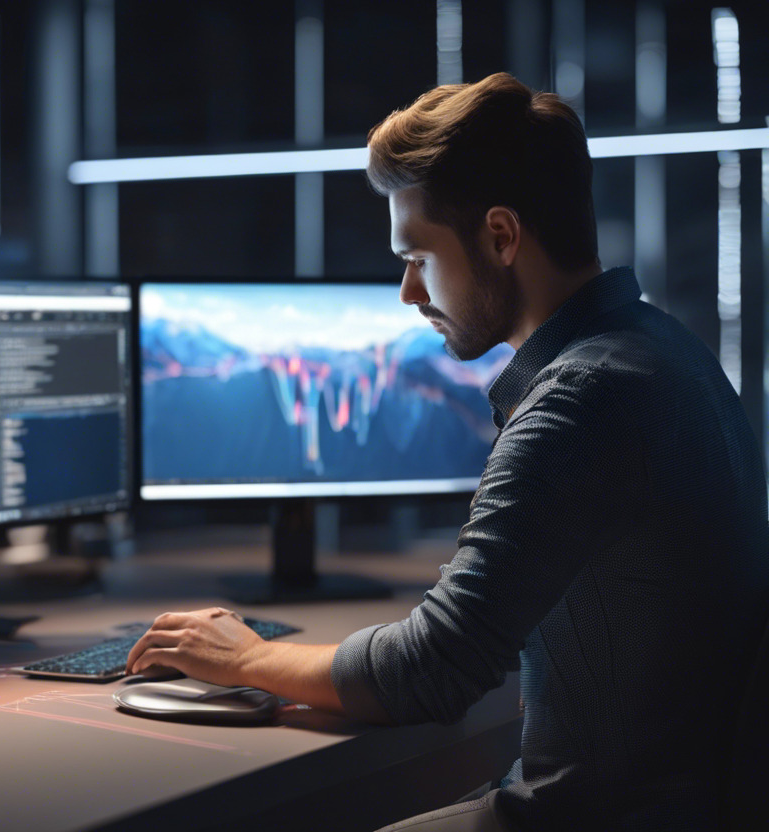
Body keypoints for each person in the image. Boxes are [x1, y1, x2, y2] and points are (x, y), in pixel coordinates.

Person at [125, 72, 769, 831]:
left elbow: (434, 670)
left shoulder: (578, 401)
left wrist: (241, 659)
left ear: (501, 237)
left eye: (418, 258)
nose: (407, 292)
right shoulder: (668, 352)